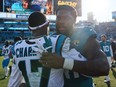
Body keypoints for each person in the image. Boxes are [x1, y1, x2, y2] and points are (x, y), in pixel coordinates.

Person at [40, 5, 109, 87]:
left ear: (75, 20)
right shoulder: (52, 40)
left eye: (66, 18)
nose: (61, 21)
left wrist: (64, 63)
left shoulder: (84, 36)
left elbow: (103, 67)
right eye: (59, 18)